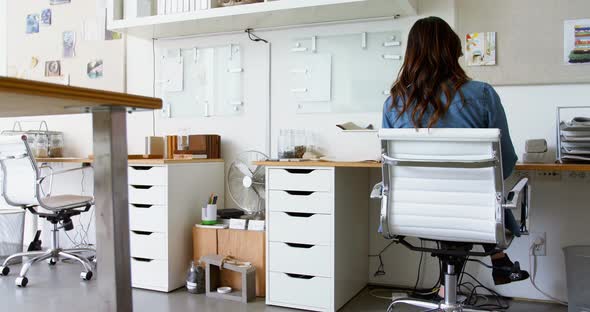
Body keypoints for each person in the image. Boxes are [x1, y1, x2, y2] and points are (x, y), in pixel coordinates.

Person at [382, 16, 529, 287]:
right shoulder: (483, 95)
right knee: (471, 197)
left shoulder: (393, 104)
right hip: (471, 209)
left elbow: (390, 170)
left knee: (451, 201)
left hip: (417, 209)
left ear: (411, 54)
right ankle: (496, 258)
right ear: (453, 51)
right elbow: (505, 165)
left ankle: (445, 289)